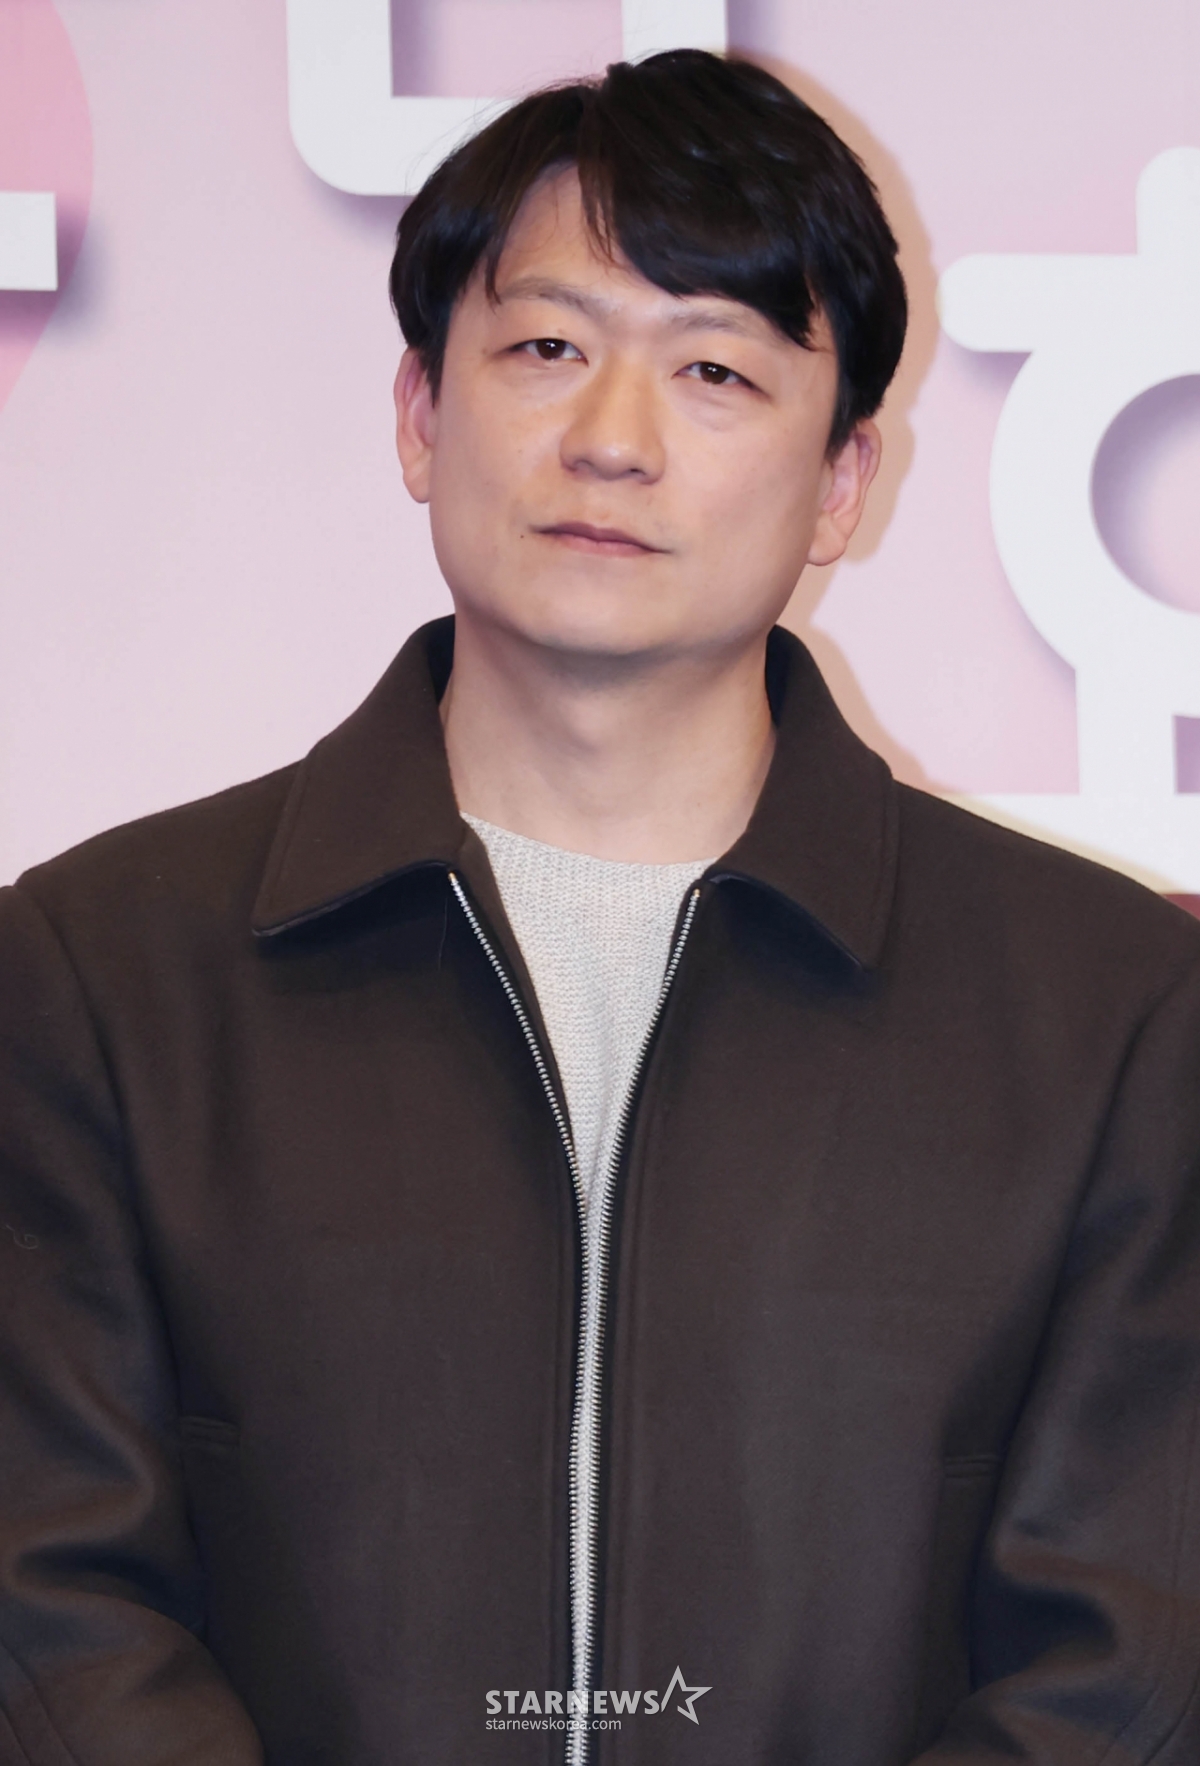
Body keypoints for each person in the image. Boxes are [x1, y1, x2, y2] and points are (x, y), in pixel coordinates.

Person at [0, 46, 1197, 1766]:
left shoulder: (1116, 1012)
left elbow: (1128, 1653)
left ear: (843, 481)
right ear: (420, 415)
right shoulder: (99, 974)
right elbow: (52, 1598)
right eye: (548, 348)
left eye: (714, 369)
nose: (613, 441)